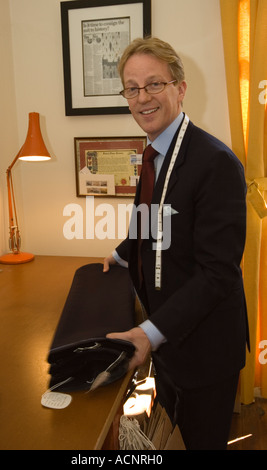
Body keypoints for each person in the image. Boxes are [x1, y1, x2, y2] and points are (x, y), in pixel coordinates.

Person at [103, 37, 249, 450]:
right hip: (168, 340)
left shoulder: (215, 163)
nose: (142, 97)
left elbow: (218, 273)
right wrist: (119, 254)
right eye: (132, 88)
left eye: (154, 84)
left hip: (205, 350)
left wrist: (149, 333)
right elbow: (152, 222)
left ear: (180, 88)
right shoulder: (153, 152)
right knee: (171, 436)